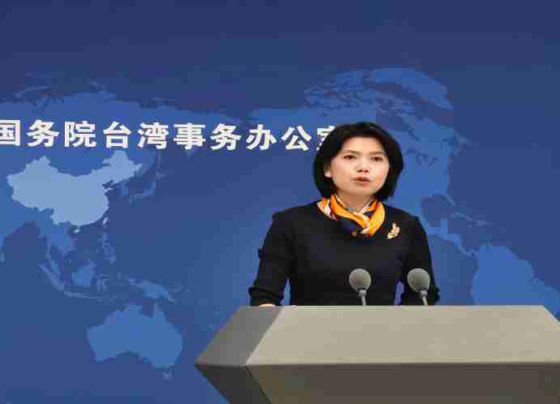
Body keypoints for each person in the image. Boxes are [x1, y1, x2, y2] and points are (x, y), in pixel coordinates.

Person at [248, 121, 440, 306]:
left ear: (389, 170)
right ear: (327, 168)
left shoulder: (406, 226)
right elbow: (265, 297)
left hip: (384, 329)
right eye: (350, 157)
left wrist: (394, 326)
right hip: (307, 329)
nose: (363, 167)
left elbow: (423, 294)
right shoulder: (291, 223)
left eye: (376, 159)